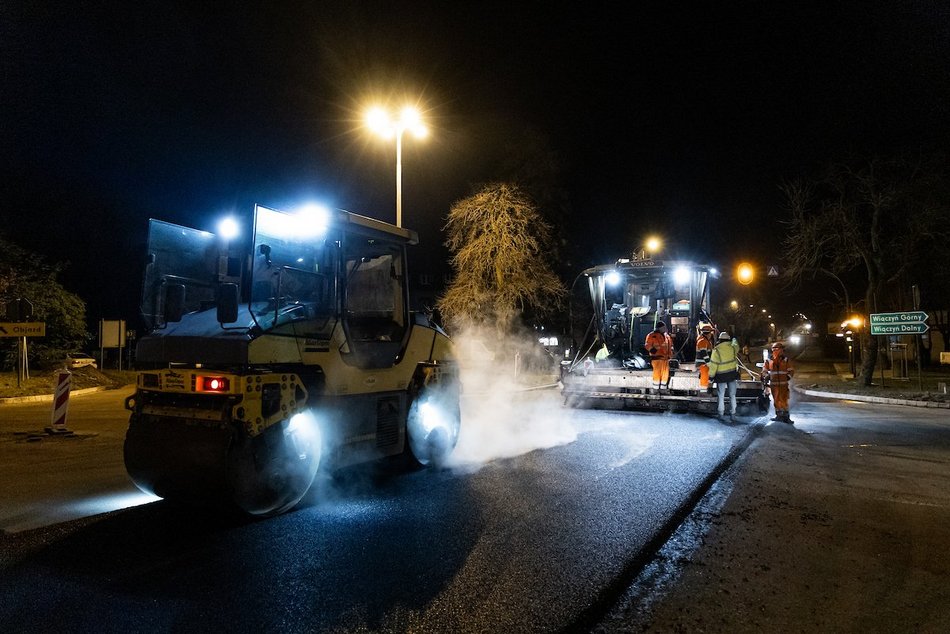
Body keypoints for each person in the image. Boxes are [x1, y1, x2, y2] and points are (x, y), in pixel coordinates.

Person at [708, 331, 740, 422]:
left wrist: (711, 376)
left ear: (719, 340)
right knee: (732, 395)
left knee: (721, 395)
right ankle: (733, 414)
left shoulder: (716, 350)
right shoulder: (733, 347)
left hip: (721, 376)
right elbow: (736, 345)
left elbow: (714, 365)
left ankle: (721, 414)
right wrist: (734, 338)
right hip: (732, 374)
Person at [763, 341, 795, 423]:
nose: (776, 351)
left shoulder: (785, 360)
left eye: (777, 349)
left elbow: (791, 371)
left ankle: (784, 416)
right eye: (774, 349)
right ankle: (780, 416)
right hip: (776, 385)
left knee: (782, 400)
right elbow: (764, 371)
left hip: (781, 385)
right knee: (778, 400)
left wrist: (787, 377)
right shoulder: (769, 360)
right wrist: (765, 377)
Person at [644, 320, 674, 391]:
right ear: (659, 328)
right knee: (657, 374)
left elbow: (671, 346)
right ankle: (656, 389)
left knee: (665, 374)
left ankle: (663, 388)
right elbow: (647, 345)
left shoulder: (667, 336)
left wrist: (671, 354)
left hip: (665, 359)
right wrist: (653, 351)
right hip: (656, 359)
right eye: (663, 327)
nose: (665, 329)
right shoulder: (652, 335)